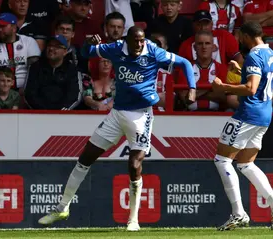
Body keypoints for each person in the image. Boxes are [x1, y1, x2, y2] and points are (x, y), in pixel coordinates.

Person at [37, 26, 196, 231]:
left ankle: (133, 220)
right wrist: (88, 44)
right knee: (85, 157)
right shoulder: (116, 48)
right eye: (135, 41)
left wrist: (192, 88)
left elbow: (184, 63)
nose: (139, 45)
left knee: (134, 164)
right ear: (126, 40)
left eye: (141, 41)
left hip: (141, 115)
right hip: (117, 114)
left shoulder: (153, 51)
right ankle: (62, 207)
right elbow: (88, 53)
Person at [211, 21, 273, 231]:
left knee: (222, 160)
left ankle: (239, 214)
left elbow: (251, 88)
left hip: (248, 113)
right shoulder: (270, 53)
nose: (238, 40)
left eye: (239, 36)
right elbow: (263, 80)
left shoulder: (254, 55)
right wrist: (240, 69)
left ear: (246, 35)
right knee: (245, 164)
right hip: (264, 114)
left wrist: (223, 87)